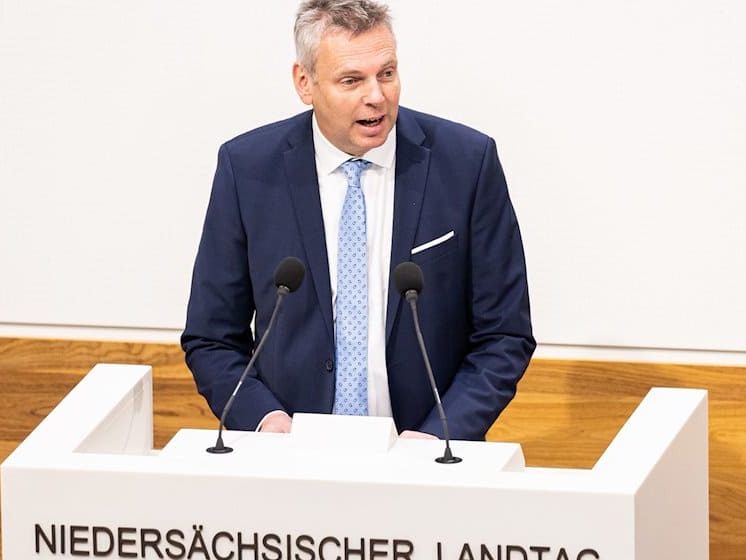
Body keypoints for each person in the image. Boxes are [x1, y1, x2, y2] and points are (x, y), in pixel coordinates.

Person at [181, 0, 534, 441]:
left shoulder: (466, 164)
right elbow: (211, 337)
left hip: (426, 461)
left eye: (386, 73)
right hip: (289, 464)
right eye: (352, 80)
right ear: (304, 83)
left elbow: (505, 335)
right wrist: (266, 421)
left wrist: (440, 434)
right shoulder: (247, 169)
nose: (377, 95)